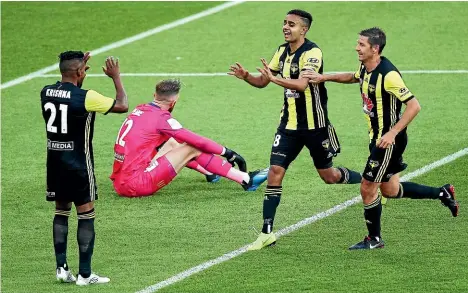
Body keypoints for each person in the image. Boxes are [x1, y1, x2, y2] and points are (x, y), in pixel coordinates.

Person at [302, 27, 459, 250]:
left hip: (387, 142)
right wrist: (323, 77)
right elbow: (353, 77)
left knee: (367, 187)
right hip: (377, 138)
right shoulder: (367, 67)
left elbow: (414, 106)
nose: (357, 47)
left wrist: (392, 133)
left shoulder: (389, 75)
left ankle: (374, 239)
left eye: (361, 44)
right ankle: (442, 193)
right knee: (390, 190)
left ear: (375, 49)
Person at [228, 9, 362, 250]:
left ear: (304, 29)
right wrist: (247, 75)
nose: (286, 27)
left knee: (329, 177)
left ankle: (372, 183)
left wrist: (275, 79)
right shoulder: (281, 51)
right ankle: (266, 232)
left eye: (292, 24)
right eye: (284, 23)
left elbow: (302, 84)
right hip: (288, 125)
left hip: (315, 126)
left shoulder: (312, 52)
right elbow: (262, 81)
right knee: (275, 172)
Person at [41, 51, 128, 285]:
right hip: (79, 163)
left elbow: (69, 91)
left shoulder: (46, 92)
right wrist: (115, 77)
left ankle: (61, 268)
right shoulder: (87, 97)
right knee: (85, 214)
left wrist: (79, 71)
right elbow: (122, 105)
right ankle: (85, 275)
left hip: (55, 162)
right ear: (80, 72)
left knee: (61, 212)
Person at [110, 79, 268, 197]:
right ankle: (246, 180)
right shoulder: (161, 119)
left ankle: (209, 172)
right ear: (174, 101)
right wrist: (228, 153)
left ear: (154, 96)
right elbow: (197, 141)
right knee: (191, 147)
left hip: (120, 181)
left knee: (172, 142)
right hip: (136, 183)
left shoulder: (140, 110)